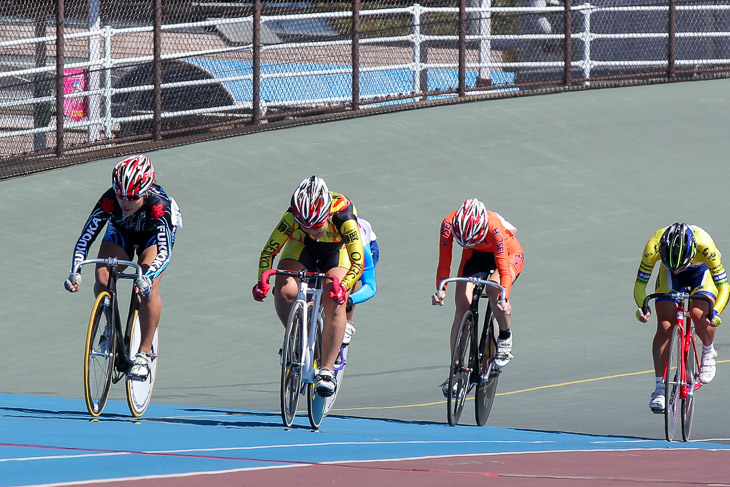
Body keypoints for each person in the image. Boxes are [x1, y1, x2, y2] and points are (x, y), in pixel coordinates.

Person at [64, 154, 182, 380]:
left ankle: (144, 353)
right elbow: (85, 239)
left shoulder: (159, 206)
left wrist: (147, 277)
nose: (125, 202)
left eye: (132, 197)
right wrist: (75, 271)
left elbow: (165, 253)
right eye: (121, 196)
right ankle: (110, 327)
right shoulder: (109, 200)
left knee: (148, 287)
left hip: (152, 239)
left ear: (146, 191)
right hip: (121, 233)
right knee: (103, 277)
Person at [252, 176, 364, 397]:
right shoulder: (292, 216)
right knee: (285, 291)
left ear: (327, 215)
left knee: (333, 299)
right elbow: (268, 252)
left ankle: (326, 369)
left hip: (337, 251)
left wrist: (344, 286)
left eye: (316, 225)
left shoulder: (344, 216)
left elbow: (357, 260)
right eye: (305, 226)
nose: (312, 230)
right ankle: (297, 338)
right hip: (302, 248)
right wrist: (261, 280)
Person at [432, 198, 525, 395]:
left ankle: (505, 336)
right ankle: (456, 370)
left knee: (494, 291)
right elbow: (444, 262)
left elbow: (503, 268)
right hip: (474, 257)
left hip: (508, 255)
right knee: (462, 305)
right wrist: (441, 290)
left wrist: (504, 297)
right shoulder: (448, 223)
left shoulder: (494, 225)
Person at [634, 223, 727, 413]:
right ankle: (660, 389)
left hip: (701, 272)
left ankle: (708, 350)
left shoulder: (706, 248)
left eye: (680, 267)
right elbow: (640, 285)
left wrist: (716, 311)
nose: (677, 271)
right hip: (667, 275)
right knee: (665, 325)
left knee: (699, 314)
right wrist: (643, 305)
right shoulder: (654, 246)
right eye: (673, 267)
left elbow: (724, 287)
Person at [344, 217, 380, 346]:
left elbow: (370, 286)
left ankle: (348, 322)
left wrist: (350, 300)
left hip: (365, 245)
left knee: (350, 275)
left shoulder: (360, 245)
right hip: (331, 245)